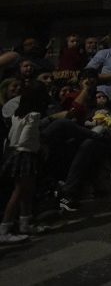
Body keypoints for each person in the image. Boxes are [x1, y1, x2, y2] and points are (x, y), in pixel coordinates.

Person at [0, 81, 49, 242]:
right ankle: (5, 229)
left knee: (27, 190)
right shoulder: (33, 115)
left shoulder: (17, 114)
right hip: (26, 155)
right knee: (19, 191)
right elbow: (26, 137)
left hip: (17, 154)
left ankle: (25, 222)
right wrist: (38, 147)